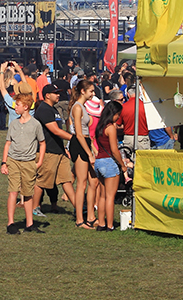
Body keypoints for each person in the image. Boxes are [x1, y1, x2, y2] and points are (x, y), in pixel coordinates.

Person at [1, 91, 45, 234]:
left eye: (18, 105)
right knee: (13, 191)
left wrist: (40, 161)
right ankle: (11, 223)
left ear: (26, 107)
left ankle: (29, 223)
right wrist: (4, 162)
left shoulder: (35, 124)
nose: (15, 107)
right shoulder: (13, 124)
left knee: (27, 193)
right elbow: (8, 144)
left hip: (29, 161)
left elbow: (42, 143)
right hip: (13, 161)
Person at [30, 84, 76, 217]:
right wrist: (74, 139)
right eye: (55, 93)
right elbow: (55, 130)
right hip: (48, 151)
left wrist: (64, 149)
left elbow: (58, 132)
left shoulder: (53, 109)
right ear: (47, 95)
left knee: (66, 180)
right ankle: (34, 207)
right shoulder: (44, 109)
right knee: (42, 180)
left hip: (59, 151)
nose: (58, 95)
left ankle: (78, 208)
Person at [92, 100, 125, 231]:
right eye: (118, 115)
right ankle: (110, 225)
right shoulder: (110, 128)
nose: (118, 118)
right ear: (114, 113)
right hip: (109, 162)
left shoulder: (99, 126)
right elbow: (114, 150)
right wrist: (122, 164)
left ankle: (101, 223)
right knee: (110, 196)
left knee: (102, 196)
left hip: (99, 162)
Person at [70, 80, 97, 229]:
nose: (93, 94)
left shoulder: (83, 107)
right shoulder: (77, 108)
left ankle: (90, 215)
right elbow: (79, 134)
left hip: (86, 143)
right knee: (82, 183)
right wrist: (89, 153)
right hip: (80, 145)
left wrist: (92, 149)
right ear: (82, 91)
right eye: (91, 91)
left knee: (94, 181)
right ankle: (80, 219)